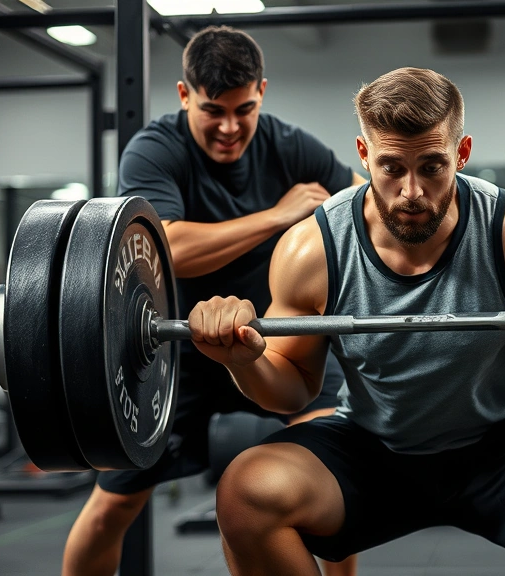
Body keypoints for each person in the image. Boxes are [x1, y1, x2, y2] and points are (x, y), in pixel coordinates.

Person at [190, 67, 505, 576]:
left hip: (501, 440)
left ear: (461, 154)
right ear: (364, 155)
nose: (412, 191)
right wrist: (243, 361)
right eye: (392, 167)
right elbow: (293, 392)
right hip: (371, 446)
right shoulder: (313, 248)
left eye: (432, 166)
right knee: (246, 492)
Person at [61, 27, 365, 576]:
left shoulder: (290, 144)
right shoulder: (156, 149)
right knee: (111, 506)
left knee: (331, 485)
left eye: (243, 109)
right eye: (212, 111)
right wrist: (278, 216)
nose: (229, 127)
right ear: (184, 96)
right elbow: (168, 246)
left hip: (276, 345)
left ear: (262, 92)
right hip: (174, 353)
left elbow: (363, 202)